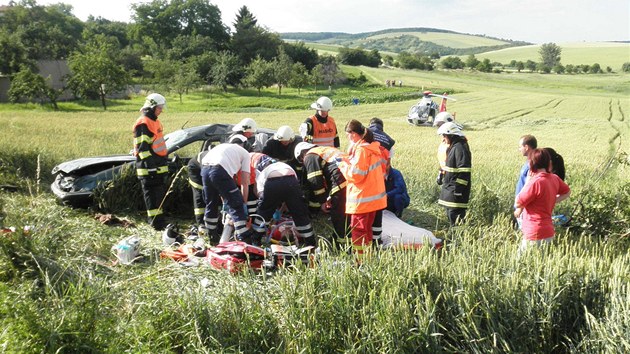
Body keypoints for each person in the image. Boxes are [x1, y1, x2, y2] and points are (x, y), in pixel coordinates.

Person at [337, 120, 387, 262]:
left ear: (354, 134)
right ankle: (367, 257)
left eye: (348, 134)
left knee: (358, 231)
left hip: (362, 199)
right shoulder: (371, 148)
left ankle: (359, 261)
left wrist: (341, 165)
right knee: (367, 230)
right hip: (373, 198)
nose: (347, 137)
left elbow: (356, 175)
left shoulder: (361, 150)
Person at [250, 153, 317, 247]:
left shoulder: (262, 172)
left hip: (271, 181)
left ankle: (255, 240)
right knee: (300, 213)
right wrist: (280, 210)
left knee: (264, 212)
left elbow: (261, 195)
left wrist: (271, 209)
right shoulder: (285, 166)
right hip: (291, 180)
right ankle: (310, 242)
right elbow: (289, 197)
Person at [200, 134, 255, 244]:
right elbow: (244, 182)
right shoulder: (244, 153)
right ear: (246, 145)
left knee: (211, 203)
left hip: (205, 169)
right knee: (236, 203)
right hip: (219, 170)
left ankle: (211, 235)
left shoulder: (223, 147)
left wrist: (224, 197)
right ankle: (243, 237)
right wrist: (242, 203)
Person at [294, 141, 350, 248]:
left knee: (338, 214)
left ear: (302, 154)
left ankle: (340, 244)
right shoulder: (324, 151)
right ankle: (342, 237)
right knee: (346, 212)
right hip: (352, 179)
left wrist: (322, 201)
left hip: (341, 181)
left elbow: (314, 179)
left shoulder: (310, 156)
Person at [514, 148, 570, 253]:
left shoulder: (535, 182)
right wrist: (552, 200)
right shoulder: (554, 178)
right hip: (548, 232)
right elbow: (567, 192)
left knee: (520, 264)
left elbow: (518, 202)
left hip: (534, 232)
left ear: (531, 164)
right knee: (541, 264)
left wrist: (527, 182)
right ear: (549, 163)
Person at [133, 93, 169, 231]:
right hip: (148, 169)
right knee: (152, 198)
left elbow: (157, 145)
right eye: (159, 107)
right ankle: (155, 224)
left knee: (158, 197)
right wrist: (152, 167)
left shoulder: (155, 122)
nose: (161, 110)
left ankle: (160, 222)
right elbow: (143, 149)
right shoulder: (143, 123)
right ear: (152, 107)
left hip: (158, 167)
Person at [436, 122, 472, 226]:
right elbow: (448, 164)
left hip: (456, 188)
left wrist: (458, 190)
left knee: (455, 214)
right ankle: (455, 236)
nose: (443, 138)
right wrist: (441, 174)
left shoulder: (460, 148)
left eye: (444, 135)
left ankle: (459, 237)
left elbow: (464, 171)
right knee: (450, 212)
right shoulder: (453, 147)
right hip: (450, 186)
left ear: (451, 135)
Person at [433, 111, 457, 185]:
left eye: (440, 125)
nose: (439, 128)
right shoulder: (443, 142)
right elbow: (444, 161)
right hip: (446, 179)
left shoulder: (457, 144)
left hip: (453, 181)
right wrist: (440, 173)